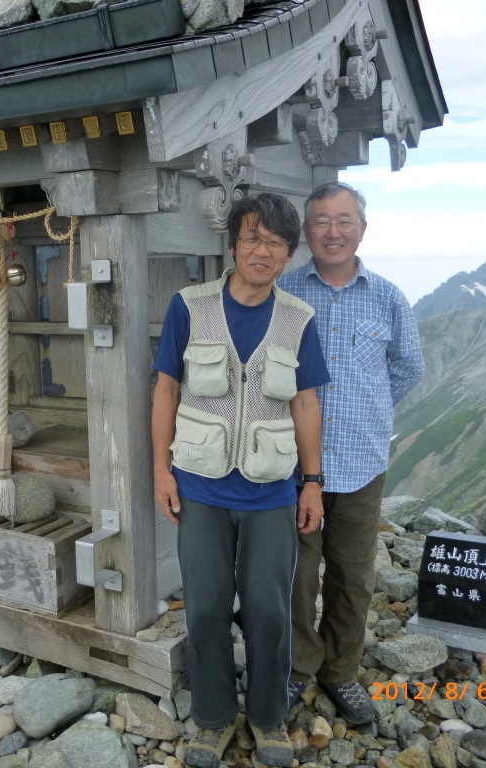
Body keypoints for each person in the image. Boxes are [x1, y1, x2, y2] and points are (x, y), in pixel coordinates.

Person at [151, 193, 329, 768]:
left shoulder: (298, 319)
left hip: (272, 490)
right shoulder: (189, 305)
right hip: (200, 485)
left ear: (287, 255)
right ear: (233, 245)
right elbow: (165, 391)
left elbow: (305, 402)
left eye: (275, 243)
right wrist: (161, 471)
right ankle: (211, 718)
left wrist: (312, 483)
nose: (263, 251)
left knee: (269, 611)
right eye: (253, 238)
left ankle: (268, 716)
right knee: (203, 607)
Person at [277, 182, 424, 724]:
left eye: (344, 220)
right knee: (295, 572)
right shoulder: (286, 294)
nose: (332, 232)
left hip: (362, 463)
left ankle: (341, 671)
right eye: (321, 221)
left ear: (363, 228)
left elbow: (408, 367)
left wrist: (368, 412)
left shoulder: (388, 297)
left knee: (353, 575)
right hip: (292, 465)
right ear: (307, 231)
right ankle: (298, 665)